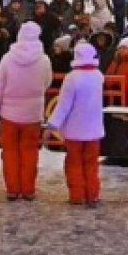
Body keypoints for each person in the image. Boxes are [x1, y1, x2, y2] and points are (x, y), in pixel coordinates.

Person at [0, 21, 53, 202]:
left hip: (9, 114)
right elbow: (47, 82)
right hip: (33, 114)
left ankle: (13, 189)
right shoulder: (44, 59)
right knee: (30, 153)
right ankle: (28, 189)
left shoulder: (8, 58)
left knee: (10, 153)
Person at [47, 42, 105, 207]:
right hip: (94, 129)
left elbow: (64, 105)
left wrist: (52, 124)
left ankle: (77, 194)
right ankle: (92, 194)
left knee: (74, 162)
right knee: (91, 163)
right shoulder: (98, 76)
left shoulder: (72, 78)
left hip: (75, 129)